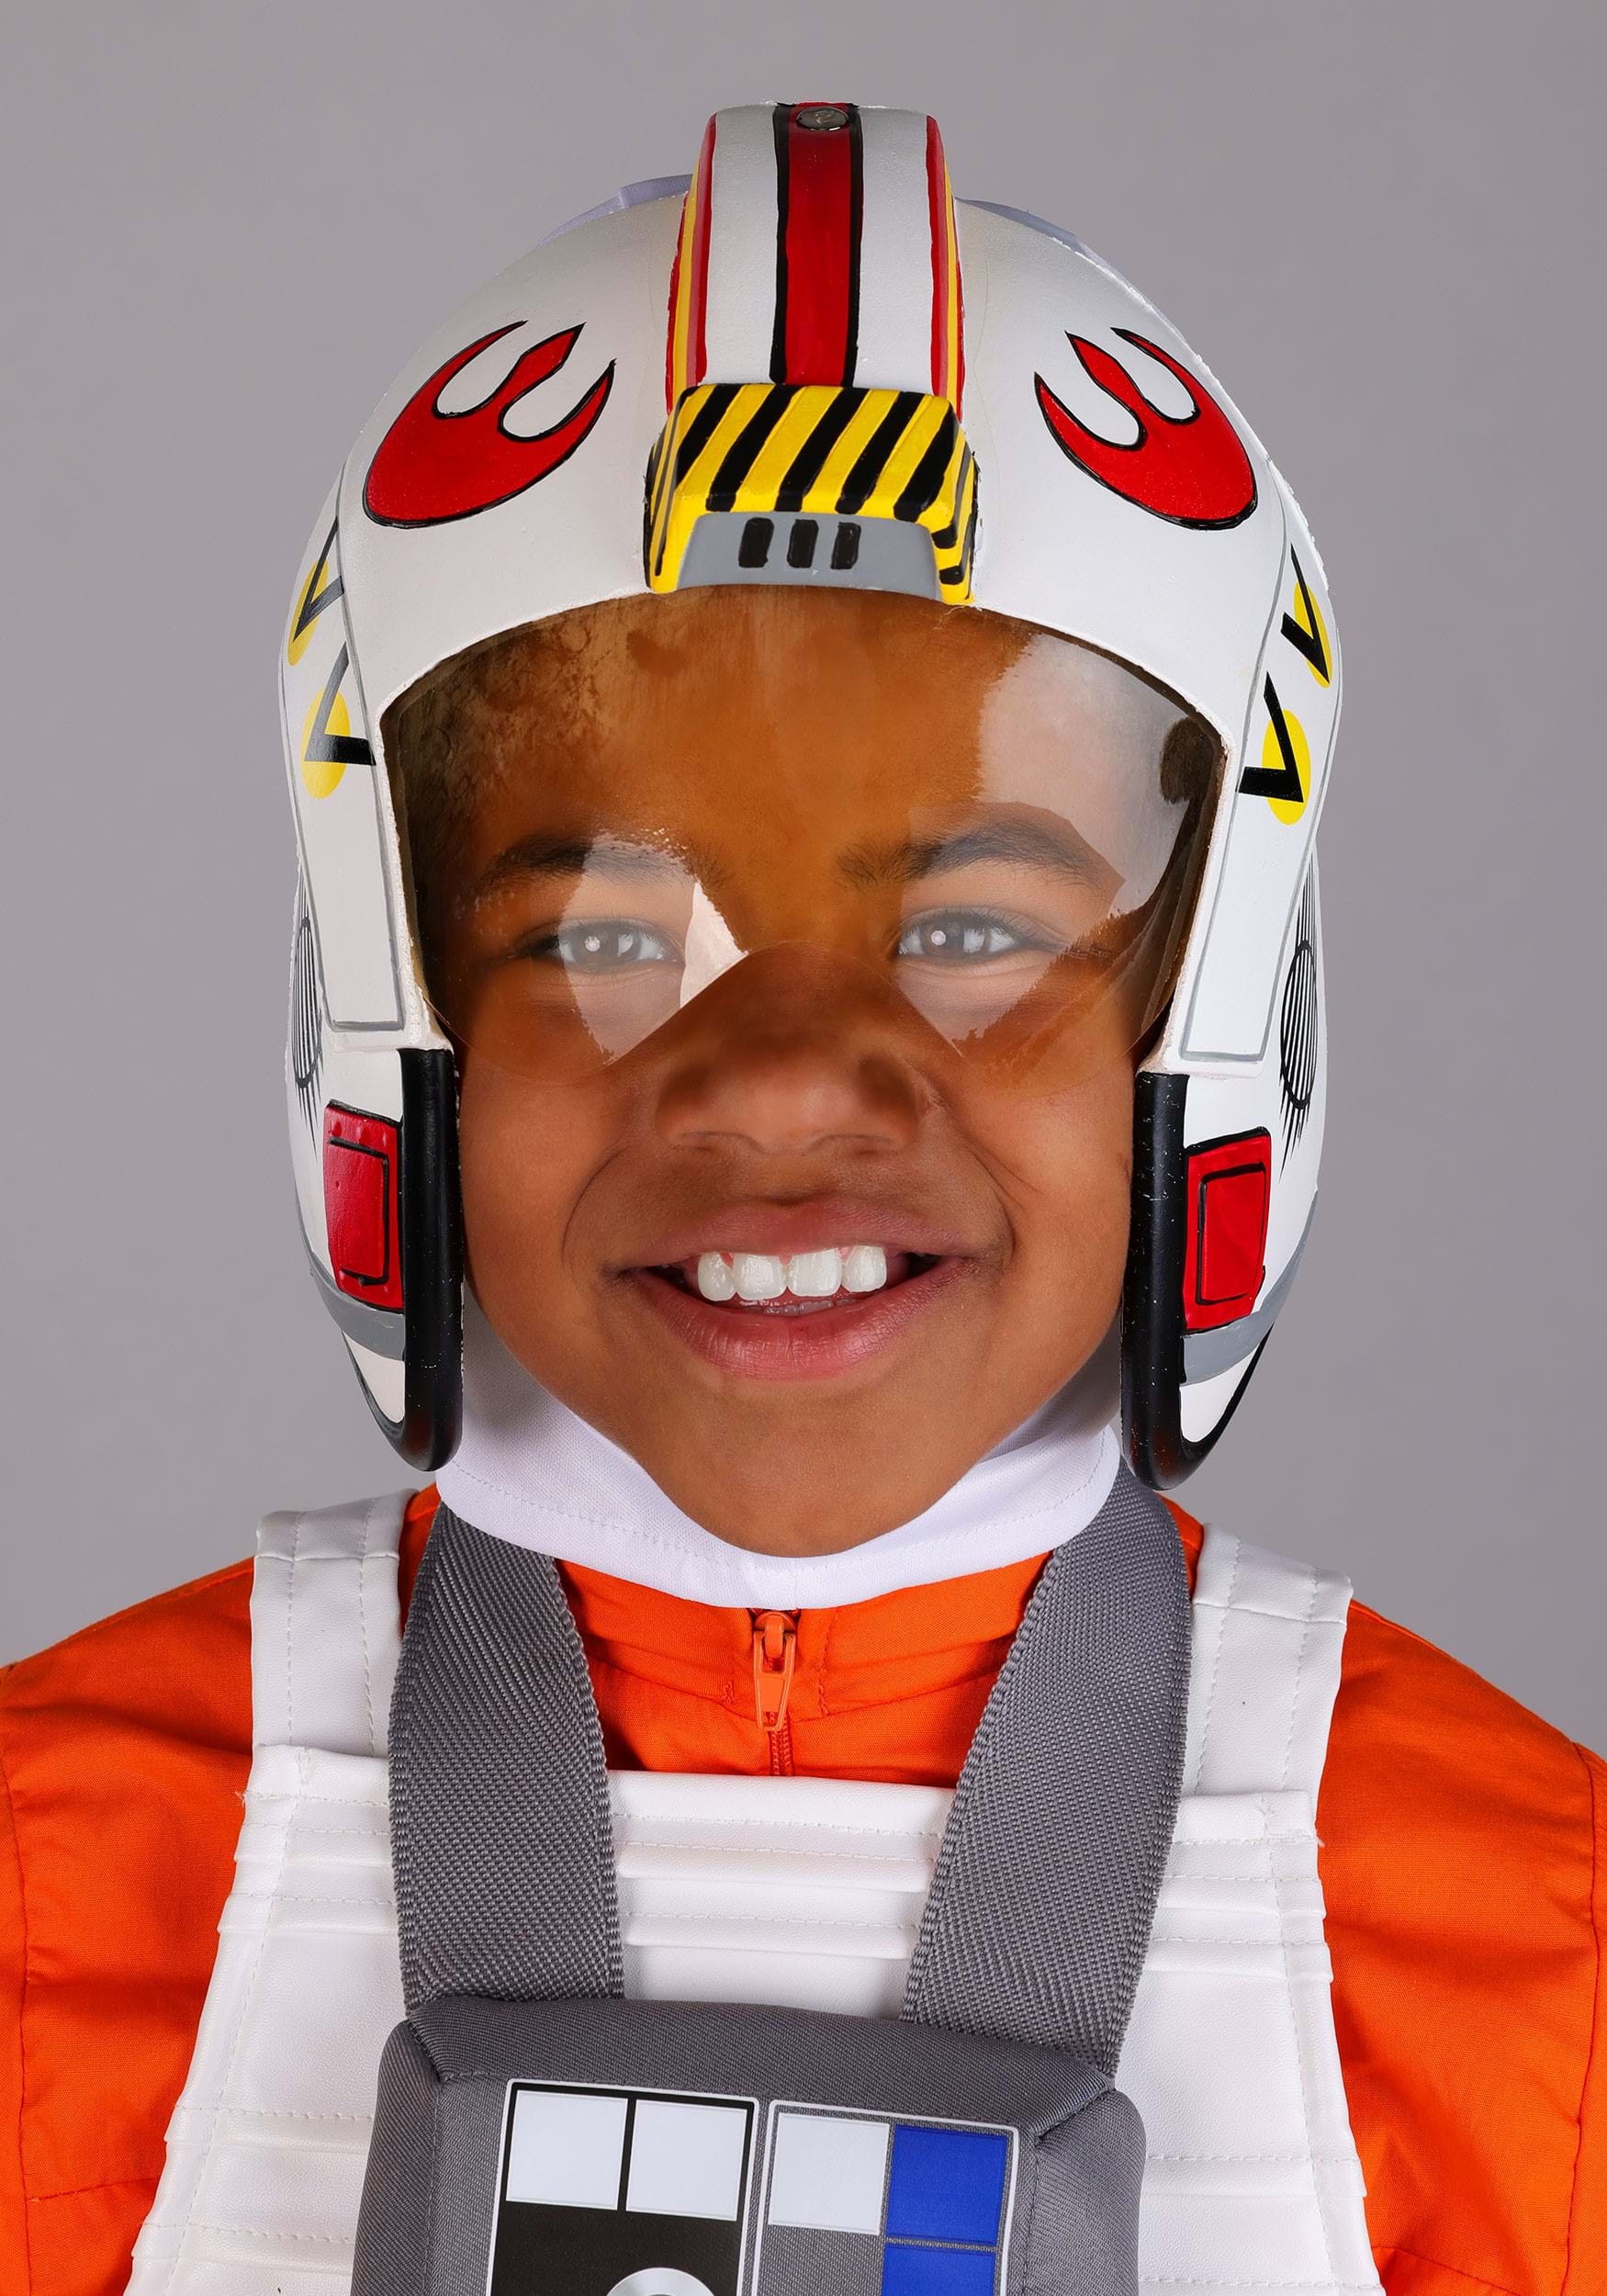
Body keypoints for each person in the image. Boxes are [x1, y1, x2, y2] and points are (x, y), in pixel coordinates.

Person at [1, 102, 1601, 2296]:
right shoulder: (55, 1890)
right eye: (600, 932)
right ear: (391, 1016)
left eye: (975, 930)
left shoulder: (1533, 1959)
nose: (771, 1076)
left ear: (1213, 1018)